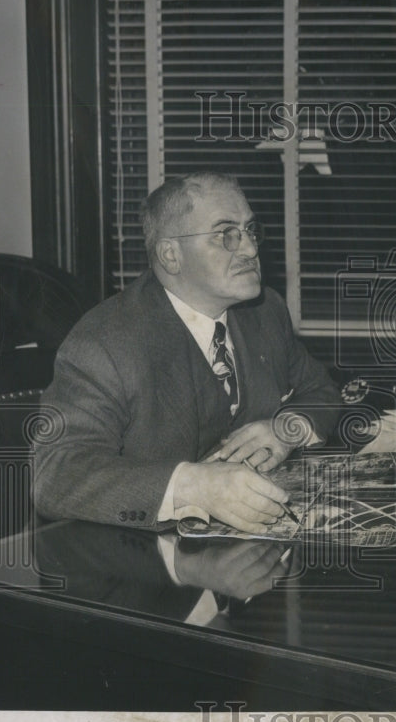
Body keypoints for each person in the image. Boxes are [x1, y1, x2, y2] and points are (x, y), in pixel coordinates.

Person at [34, 172, 340, 533]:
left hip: (252, 557)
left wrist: (286, 430)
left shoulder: (264, 311)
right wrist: (193, 486)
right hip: (144, 568)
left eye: (250, 230)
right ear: (170, 255)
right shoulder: (104, 343)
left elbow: (321, 392)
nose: (251, 249)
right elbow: (55, 474)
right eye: (226, 234)